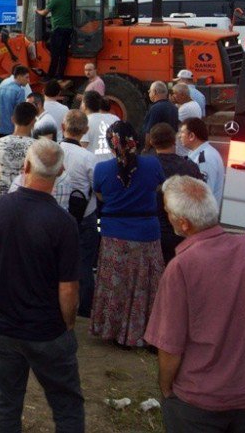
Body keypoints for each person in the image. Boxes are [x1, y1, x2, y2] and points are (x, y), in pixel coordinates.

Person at [145, 175, 245, 433]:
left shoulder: (181, 267)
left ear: (182, 223)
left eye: (168, 212)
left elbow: (170, 348)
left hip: (199, 403)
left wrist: (166, 389)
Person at [0, 139, 84, 432]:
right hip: (47, 330)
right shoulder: (64, 223)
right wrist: (68, 323)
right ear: (60, 172)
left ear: (26, 166)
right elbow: (68, 288)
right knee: (67, 405)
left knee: (7, 402)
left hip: (3, 326)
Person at [90, 121, 165, 348]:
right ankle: (142, 332)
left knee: (116, 285)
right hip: (146, 233)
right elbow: (159, 189)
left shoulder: (102, 169)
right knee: (144, 286)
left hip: (115, 234)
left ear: (111, 145)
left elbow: (100, 196)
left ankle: (113, 330)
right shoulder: (152, 165)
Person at [57, 110, 99, 317]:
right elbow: (98, 190)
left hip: (56, 214)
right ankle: (83, 308)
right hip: (85, 216)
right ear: (85, 130)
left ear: (63, 127)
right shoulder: (89, 158)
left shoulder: (53, 151)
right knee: (84, 263)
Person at [148, 123, 201, 265]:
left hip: (151, 230)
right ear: (174, 141)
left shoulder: (145, 166)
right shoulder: (190, 167)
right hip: (182, 231)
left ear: (151, 141)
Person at [0, 102, 36, 197]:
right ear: (33, 122)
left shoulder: (0, 142)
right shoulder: (37, 146)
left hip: (3, 196)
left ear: (13, 119)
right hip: (26, 196)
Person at [180, 117, 224, 207]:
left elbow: (203, 193)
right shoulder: (199, 153)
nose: (179, 136)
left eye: (182, 132)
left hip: (201, 215)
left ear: (191, 136)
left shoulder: (205, 158)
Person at [36, 0, 73, 79]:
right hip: (68, 30)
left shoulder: (55, 0)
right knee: (63, 54)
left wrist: (36, 11)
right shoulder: (69, 0)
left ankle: (50, 75)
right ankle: (60, 75)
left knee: (55, 54)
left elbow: (44, 13)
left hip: (58, 30)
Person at [80, 90, 117, 162]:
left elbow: (82, 146)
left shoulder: (85, 121)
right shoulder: (115, 119)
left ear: (84, 105)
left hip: (94, 167)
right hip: (113, 165)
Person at [142, 81, 179, 145]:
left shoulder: (155, 108)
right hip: (170, 146)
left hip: (157, 147)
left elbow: (149, 132)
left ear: (155, 92)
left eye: (150, 91)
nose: (149, 93)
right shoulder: (174, 107)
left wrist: (146, 148)